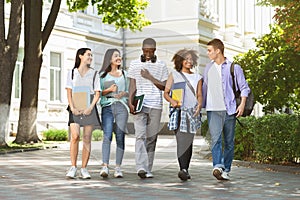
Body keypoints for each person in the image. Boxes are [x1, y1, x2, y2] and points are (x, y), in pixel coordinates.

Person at [202, 38, 250, 180]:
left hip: (229, 109)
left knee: (229, 141)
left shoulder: (234, 67)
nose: (208, 53)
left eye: (210, 50)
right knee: (216, 139)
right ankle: (217, 166)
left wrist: (241, 105)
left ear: (218, 51)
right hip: (213, 109)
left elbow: (244, 88)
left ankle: (226, 169)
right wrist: (200, 105)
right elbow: (204, 88)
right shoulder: (208, 68)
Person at [127, 38, 168, 179]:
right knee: (140, 136)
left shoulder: (162, 65)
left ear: (155, 50)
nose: (148, 54)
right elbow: (132, 84)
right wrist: (130, 101)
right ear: (142, 49)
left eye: (151, 51)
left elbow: (163, 86)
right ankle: (141, 167)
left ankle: (148, 168)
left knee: (152, 138)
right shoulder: (134, 64)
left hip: (156, 104)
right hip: (140, 103)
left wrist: (150, 77)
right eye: (145, 51)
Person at [164, 49, 202, 181]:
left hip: (192, 112)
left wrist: (199, 106)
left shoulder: (198, 77)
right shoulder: (174, 75)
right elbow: (166, 92)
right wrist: (172, 101)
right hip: (179, 111)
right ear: (180, 60)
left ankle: (186, 168)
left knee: (189, 141)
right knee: (181, 140)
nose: (189, 61)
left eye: (191, 59)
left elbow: (199, 95)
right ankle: (183, 169)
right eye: (186, 58)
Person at [65, 48, 101, 179]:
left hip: (89, 106)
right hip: (74, 105)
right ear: (80, 56)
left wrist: (91, 107)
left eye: (91, 55)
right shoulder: (72, 73)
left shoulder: (95, 73)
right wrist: (72, 107)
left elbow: (97, 92)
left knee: (86, 138)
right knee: (74, 136)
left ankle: (84, 168)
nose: (90, 57)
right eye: (88, 55)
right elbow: (69, 91)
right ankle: (73, 167)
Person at [98, 49, 129, 178]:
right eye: (115, 56)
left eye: (119, 55)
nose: (119, 57)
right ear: (109, 59)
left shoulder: (125, 74)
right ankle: (105, 166)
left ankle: (118, 167)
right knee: (107, 136)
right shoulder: (103, 76)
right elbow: (98, 92)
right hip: (108, 107)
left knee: (120, 136)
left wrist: (124, 93)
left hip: (121, 106)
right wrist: (109, 90)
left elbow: (129, 91)